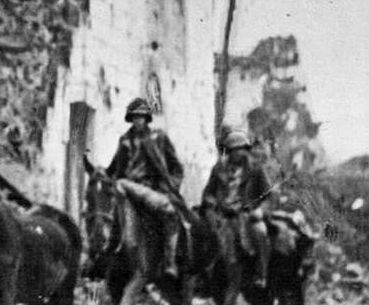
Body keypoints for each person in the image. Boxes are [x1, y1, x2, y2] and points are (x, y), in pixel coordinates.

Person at [106, 97, 187, 281]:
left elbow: (177, 168)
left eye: (141, 117)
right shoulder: (124, 140)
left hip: (152, 190)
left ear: (147, 118)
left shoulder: (158, 137)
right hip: (127, 192)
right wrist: (100, 173)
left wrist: (171, 186)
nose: (138, 120)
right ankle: (106, 259)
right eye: (134, 117)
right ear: (130, 119)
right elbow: (114, 168)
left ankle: (170, 261)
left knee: (171, 215)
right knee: (114, 224)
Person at [201, 128, 273, 288]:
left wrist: (260, 211)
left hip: (247, 214)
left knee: (260, 232)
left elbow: (268, 196)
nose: (238, 153)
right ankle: (206, 275)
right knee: (205, 234)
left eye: (241, 149)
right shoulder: (219, 168)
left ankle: (261, 274)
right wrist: (212, 204)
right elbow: (208, 193)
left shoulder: (255, 169)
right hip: (223, 213)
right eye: (234, 150)